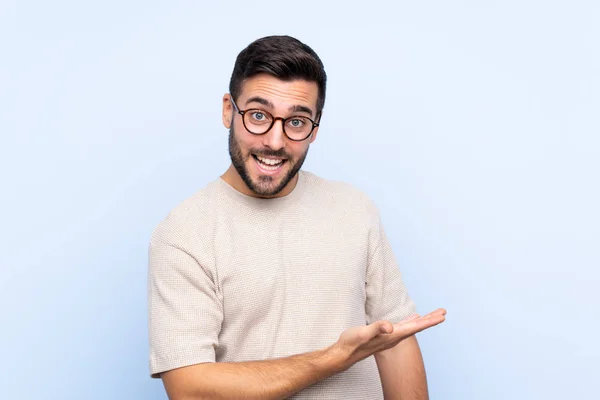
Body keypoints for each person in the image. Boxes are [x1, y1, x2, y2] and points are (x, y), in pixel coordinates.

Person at [147, 35, 446, 400]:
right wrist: (332, 359)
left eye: (297, 121)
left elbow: (395, 339)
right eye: (258, 115)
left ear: (315, 128)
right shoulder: (184, 232)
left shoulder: (354, 209)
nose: (275, 141)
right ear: (229, 110)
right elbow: (189, 389)